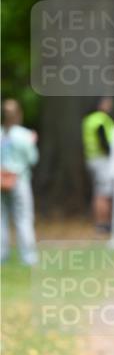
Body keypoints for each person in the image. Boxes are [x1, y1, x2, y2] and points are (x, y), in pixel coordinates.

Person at [1, 99, 39, 266]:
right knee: (24, 217)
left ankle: (2, 255)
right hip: (19, 179)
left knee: (1, 219)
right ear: (18, 114)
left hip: (1, 179)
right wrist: (33, 142)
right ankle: (28, 257)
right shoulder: (24, 135)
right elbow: (33, 159)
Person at [82, 97, 114, 234]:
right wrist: (110, 150)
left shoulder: (88, 119)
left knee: (98, 192)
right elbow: (102, 138)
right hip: (102, 159)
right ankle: (103, 224)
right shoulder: (101, 119)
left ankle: (101, 223)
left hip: (92, 158)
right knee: (103, 193)